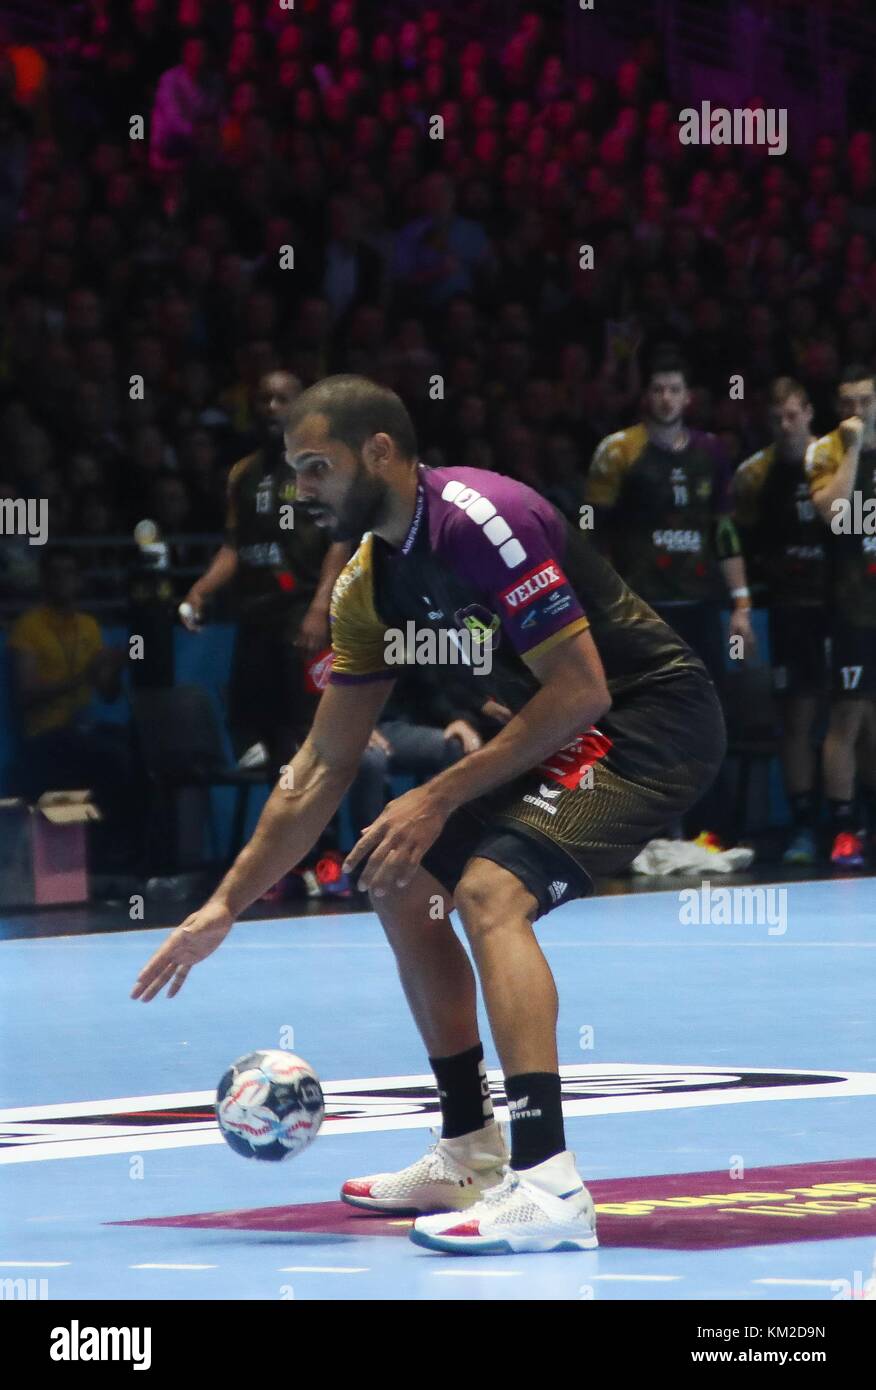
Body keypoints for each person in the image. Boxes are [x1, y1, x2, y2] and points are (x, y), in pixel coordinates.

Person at [134, 376, 726, 1255]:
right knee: (395, 871)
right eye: (294, 471)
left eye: (315, 467)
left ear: (380, 451)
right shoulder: (367, 585)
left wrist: (439, 792)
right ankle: (470, 1149)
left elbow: (584, 688)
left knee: (490, 892)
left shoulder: (482, 521)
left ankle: (550, 1181)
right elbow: (323, 765)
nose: (301, 491)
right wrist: (226, 903)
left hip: (645, 721)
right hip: (548, 732)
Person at [583, 351, 754, 839]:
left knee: (706, 716)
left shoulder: (712, 452)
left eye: (674, 389)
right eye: (658, 389)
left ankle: (712, 832)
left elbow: (724, 531)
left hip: (700, 606)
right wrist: (603, 606)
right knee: (642, 720)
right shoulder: (617, 451)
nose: (665, 397)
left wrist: (741, 602)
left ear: (688, 397)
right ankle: (642, 834)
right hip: (641, 612)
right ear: (646, 396)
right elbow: (593, 535)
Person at [180, 370, 351, 776]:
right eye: (263, 400)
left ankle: (323, 839)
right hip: (256, 618)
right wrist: (199, 591)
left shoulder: (322, 467)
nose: (271, 408)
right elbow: (234, 547)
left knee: (306, 735)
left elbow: (340, 541)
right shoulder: (243, 472)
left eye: (282, 399)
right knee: (254, 738)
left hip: (303, 619)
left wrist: (319, 608)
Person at [733, 379, 825, 864]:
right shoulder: (753, 476)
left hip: (846, 610)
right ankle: (805, 828)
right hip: (790, 612)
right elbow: (732, 540)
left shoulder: (836, 463)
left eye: (793, 415)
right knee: (797, 722)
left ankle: (855, 824)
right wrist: (743, 604)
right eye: (777, 419)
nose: (786, 426)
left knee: (859, 719)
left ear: (809, 413)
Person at [8, 547, 136, 864]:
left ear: (79, 580)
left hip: (84, 730)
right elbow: (26, 696)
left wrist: (115, 669)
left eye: (70, 573)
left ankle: (131, 858)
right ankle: (105, 857)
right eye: (56, 574)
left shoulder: (89, 627)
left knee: (136, 748)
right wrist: (83, 676)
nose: (64, 580)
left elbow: (107, 694)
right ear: (45, 581)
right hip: (45, 736)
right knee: (109, 761)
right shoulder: (28, 628)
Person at [805, 363, 876, 867]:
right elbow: (833, 515)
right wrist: (854, 447)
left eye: (866, 402)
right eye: (847, 403)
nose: (857, 412)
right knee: (846, 718)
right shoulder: (826, 450)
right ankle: (845, 827)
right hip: (850, 612)